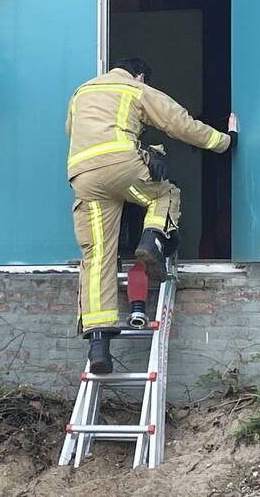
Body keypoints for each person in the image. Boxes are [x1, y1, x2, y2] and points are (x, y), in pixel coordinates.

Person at [65, 57, 238, 374]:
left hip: (84, 177)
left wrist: (148, 151)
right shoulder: (134, 88)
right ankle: (153, 239)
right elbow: (178, 122)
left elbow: (81, 132)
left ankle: (99, 343)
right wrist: (223, 142)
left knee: (98, 256)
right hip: (123, 167)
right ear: (141, 76)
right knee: (165, 193)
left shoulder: (82, 92)